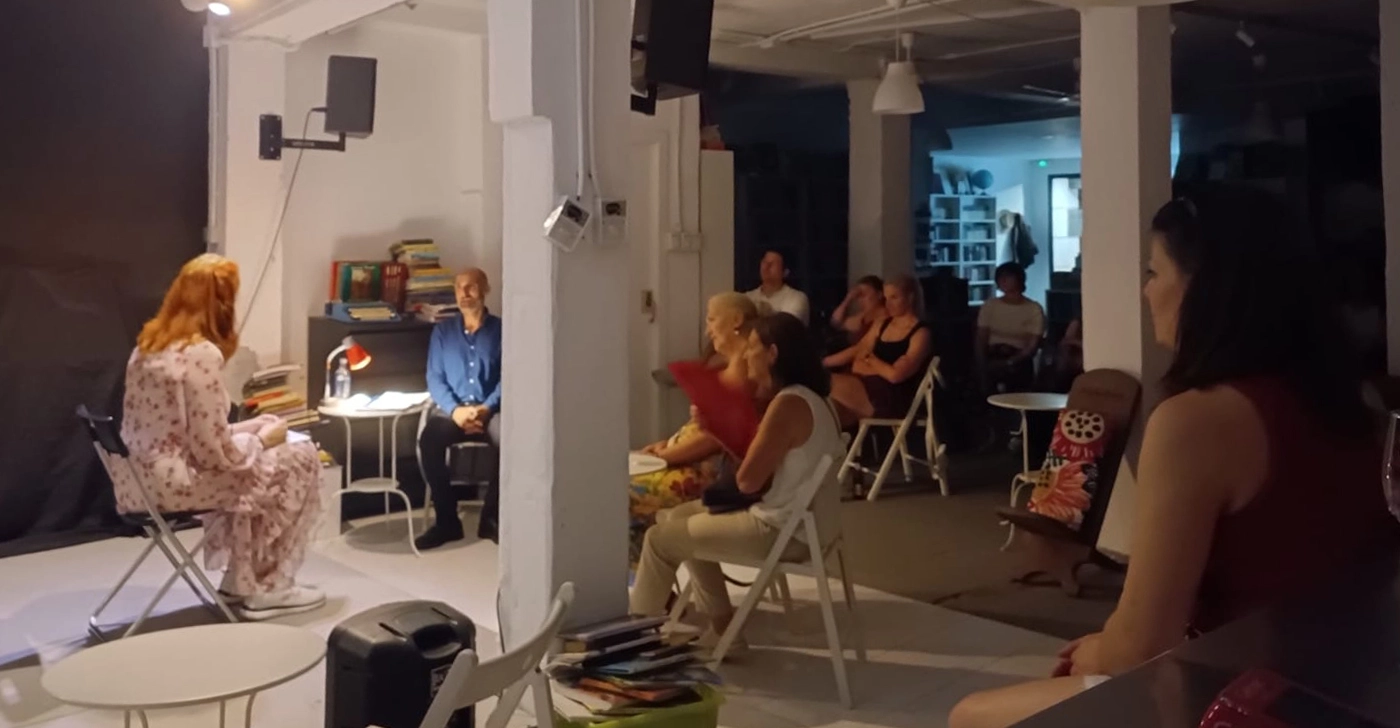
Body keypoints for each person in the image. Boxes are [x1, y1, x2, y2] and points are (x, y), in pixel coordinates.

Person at [948, 187, 1397, 728]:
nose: (1145, 291)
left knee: (971, 714)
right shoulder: (1357, 402)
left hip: (1241, 696)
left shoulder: (1196, 422)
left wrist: (1099, 650)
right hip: (1348, 686)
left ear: (1204, 288)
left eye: (1153, 272)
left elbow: (1140, 645)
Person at [118, 254, 324, 620]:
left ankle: (240, 580)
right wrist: (264, 439)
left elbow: (184, 432)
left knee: (258, 471)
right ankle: (269, 586)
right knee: (300, 456)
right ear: (223, 303)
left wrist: (249, 428)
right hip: (178, 485)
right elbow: (215, 455)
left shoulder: (147, 347)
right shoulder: (201, 354)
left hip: (138, 481)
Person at [630, 313, 845, 649]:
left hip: (779, 530)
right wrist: (719, 431)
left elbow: (747, 482)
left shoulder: (787, 405)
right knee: (676, 518)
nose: (746, 355)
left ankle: (629, 644)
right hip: (805, 525)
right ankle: (723, 629)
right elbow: (762, 471)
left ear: (772, 353)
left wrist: (723, 428)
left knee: (659, 540)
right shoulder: (815, 399)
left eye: (752, 348)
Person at [628, 293, 758, 564]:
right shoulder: (730, 364)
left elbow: (717, 438)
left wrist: (663, 457)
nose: (708, 329)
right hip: (684, 460)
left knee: (622, 492)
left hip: (707, 475)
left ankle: (642, 571)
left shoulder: (747, 368)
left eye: (711, 319)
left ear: (736, 320)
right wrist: (667, 443)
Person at [417, 268, 503, 549]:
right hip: (453, 410)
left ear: (485, 289)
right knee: (429, 440)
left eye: (471, 287)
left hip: (491, 410)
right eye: (459, 287)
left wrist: (486, 408)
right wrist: (455, 411)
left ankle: (491, 518)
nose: (464, 293)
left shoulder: (502, 331)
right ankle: (447, 522)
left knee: (510, 442)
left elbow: (509, 377)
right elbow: (434, 378)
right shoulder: (443, 332)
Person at [825, 275, 933, 425]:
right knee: (828, 407)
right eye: (886, 298)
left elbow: (895, 375)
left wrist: (869, 360)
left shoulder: (921, 333)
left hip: (892, 395)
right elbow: (858, 350)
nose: (888, 304)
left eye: (894, 297)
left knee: (827, 383)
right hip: (866, 383)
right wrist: (822, 362)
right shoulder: (882, 324)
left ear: (910, 298)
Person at [975, 262, 1045, 393]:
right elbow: (981, 338)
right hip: (993, 354)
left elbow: (1032, 346)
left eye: (1007, 276)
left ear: (1019, 279)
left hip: (1019, 357)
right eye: (1000, 277)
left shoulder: (1033, 309)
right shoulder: (990, 305)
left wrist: (1010, 361)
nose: (1003, 280)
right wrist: (982, 364)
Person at [746, 249, 810, 325]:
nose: (766, 267)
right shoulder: (748, 298)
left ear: (785, 272)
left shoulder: (796, 298)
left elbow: (785, 327)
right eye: (764, 262)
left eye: (772, 264)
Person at [829, 275, 887, 345]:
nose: (860, 300)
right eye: (858, 296)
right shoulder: (861, 317)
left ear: (879, 295)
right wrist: (848, 298)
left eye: (864, 294)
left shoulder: (887, 315)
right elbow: (836, 323)